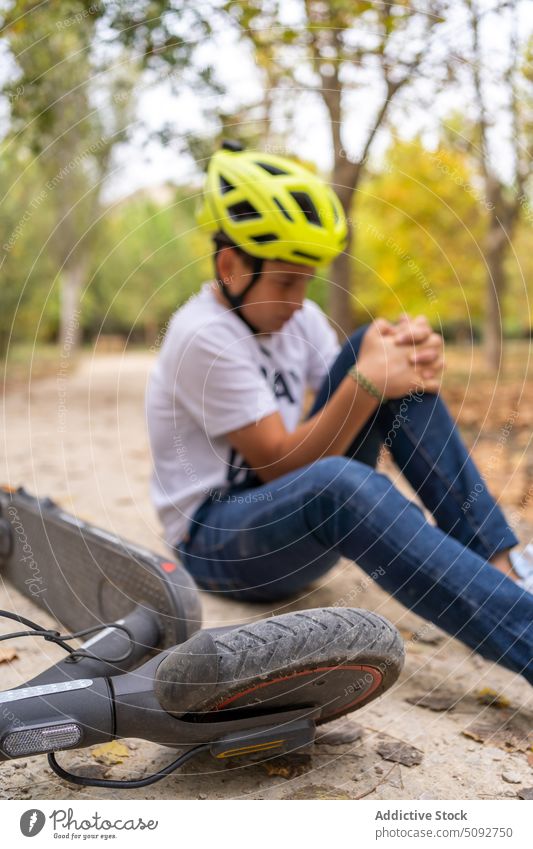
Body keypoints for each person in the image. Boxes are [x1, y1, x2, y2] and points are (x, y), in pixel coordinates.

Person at [146, 141, 533, 684]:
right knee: (341, 479)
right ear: (232, 266)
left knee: (380, 347)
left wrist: (403, 366)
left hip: (291, 523)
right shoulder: (201, 335)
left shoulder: (298, 317)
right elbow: (278, 466)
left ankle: (501, 563)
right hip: (217, 542)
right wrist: (369, 382)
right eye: (285, 281)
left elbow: (359, 401)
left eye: (307, 280)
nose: (299, 298)